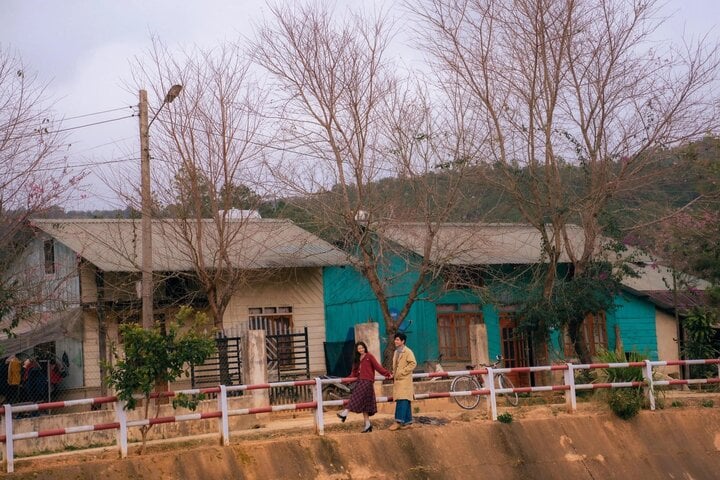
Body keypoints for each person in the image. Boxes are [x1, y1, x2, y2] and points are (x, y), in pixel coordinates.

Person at [336, 341, 392, 433]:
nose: (361, 350)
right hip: (360, 381)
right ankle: (367, 425)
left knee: (356, 396)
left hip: (367, 381)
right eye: (359, 348)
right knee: (364, 405)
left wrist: (387, 374)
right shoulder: (357, 360)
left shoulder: (369, 356)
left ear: (365, 348)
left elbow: (378, 367)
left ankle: (345, 412)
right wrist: (347, 380)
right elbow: (353, 373)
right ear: (357, 350)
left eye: (362, 348)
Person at [389, 332, 417, 431]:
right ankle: (408, 422)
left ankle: (398, 421)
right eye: (395, 339)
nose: (395, 341)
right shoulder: (396, 352)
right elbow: (396, 365)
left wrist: (402, 372)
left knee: (402, 400)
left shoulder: (408, 351)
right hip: (398, 380)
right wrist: (394, 373)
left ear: (403, 341)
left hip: (404, 380)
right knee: (405, 400)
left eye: (397, 340)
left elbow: (413, 363)